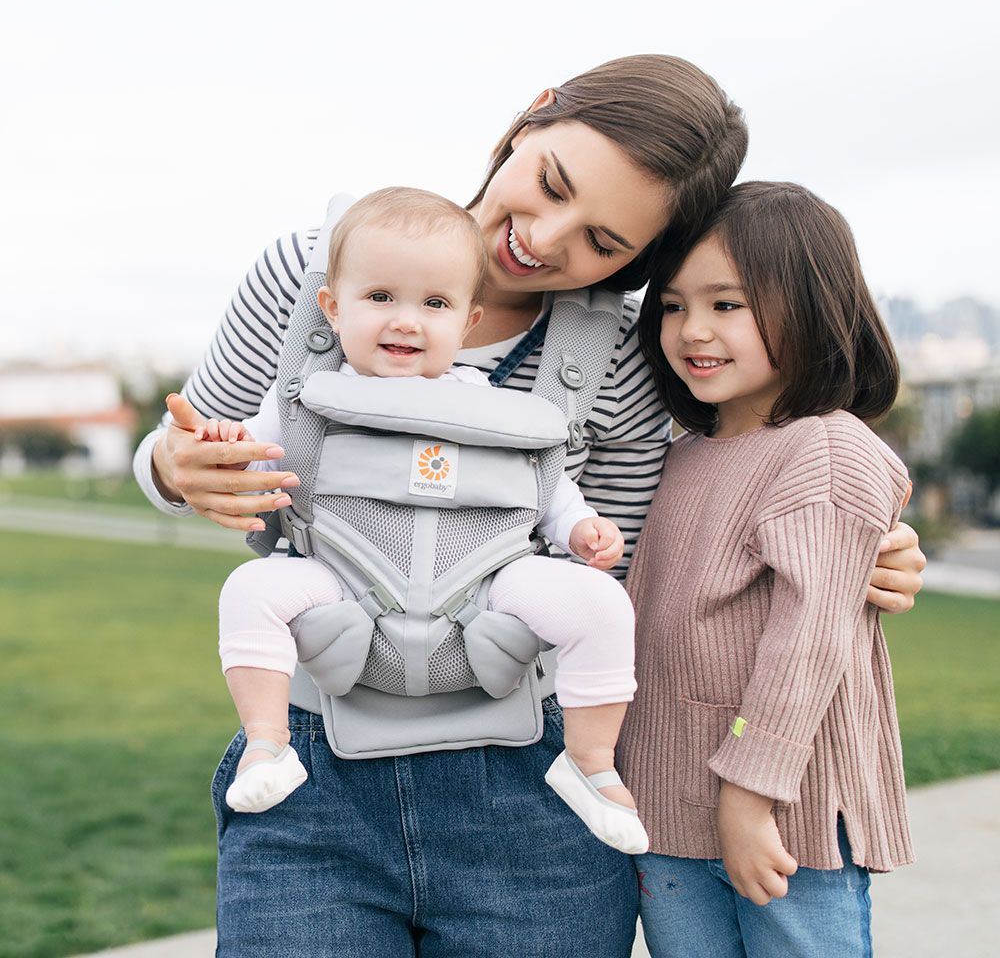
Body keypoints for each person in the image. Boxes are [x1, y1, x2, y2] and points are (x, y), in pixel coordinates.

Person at [134, 56, 925, 957]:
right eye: (550, 184)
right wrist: (173, 466)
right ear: (533, 115)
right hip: (317, 768)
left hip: (532, 783)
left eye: (603, 244)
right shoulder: (303, 273)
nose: (545, 239)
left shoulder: (626, 356)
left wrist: (863, 542)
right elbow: (185, 449)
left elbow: (660, 544)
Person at [193, 187, 647, 852]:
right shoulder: (306, 396)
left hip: (488, 588)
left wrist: (578, 529)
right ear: (332, 307)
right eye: (380, 298)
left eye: (434, 304)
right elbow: (253, 455)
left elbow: (546, 485)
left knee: (600, 604)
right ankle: (268, 744)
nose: (407, 321)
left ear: (467, 323)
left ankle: (591, 761)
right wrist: (225, 456)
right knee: (248, 591)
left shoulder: (490, 403)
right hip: (340, 581)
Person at [622, 182, 914, 957]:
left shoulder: (827, 450)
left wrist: (749, 799)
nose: (692, 331)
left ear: (813, 307)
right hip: (668, 812)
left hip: (785, 819)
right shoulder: (681, 459)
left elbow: (807, 646)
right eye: (676, 305)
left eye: (727, 305)